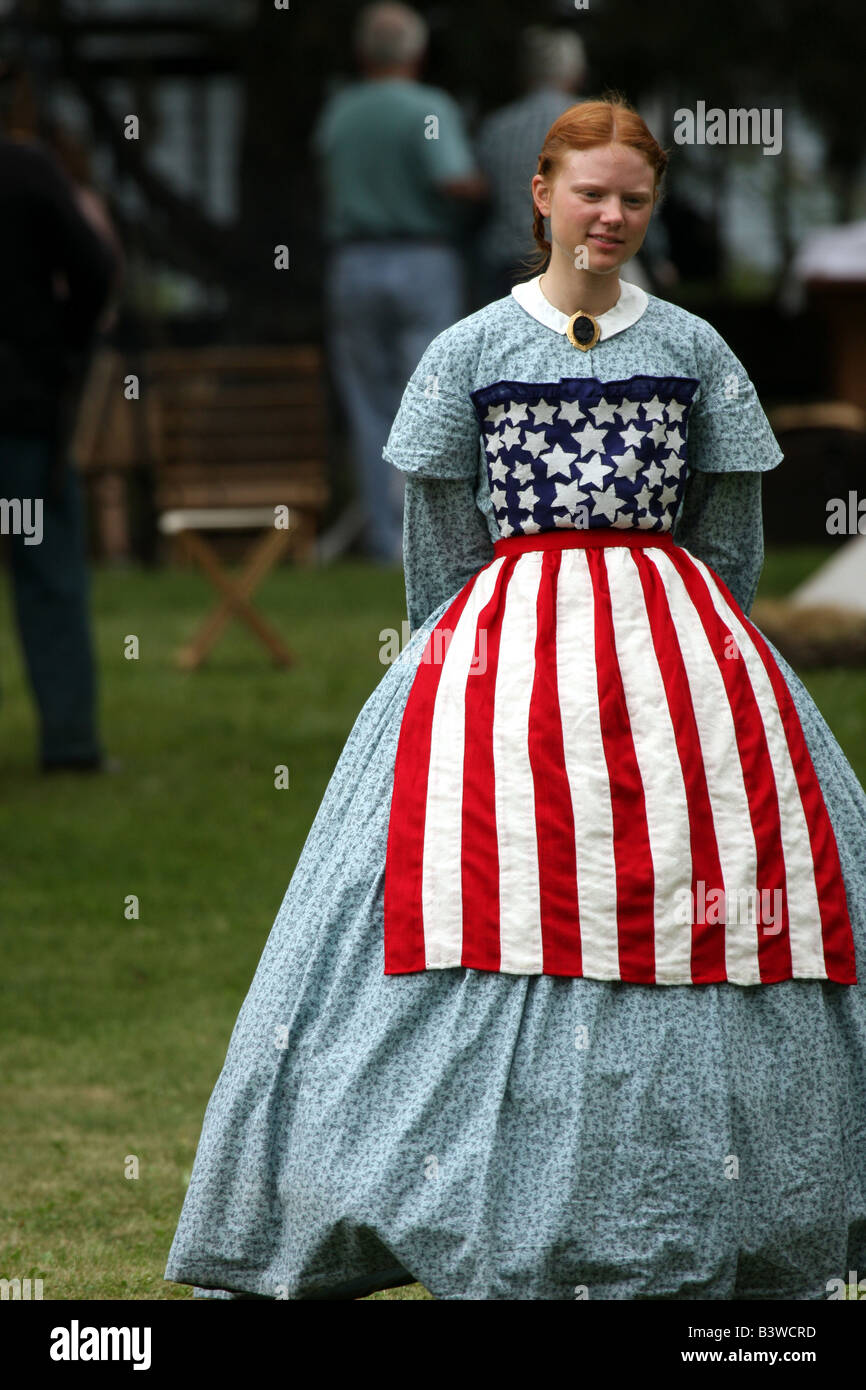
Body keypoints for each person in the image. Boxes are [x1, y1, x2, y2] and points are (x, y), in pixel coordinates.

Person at [165, 96, 866, 1301]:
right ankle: (417, 1197)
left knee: (725, 897)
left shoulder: (695, 350)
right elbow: (438, 554)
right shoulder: (469, 351)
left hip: (678, 662)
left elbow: (729, 546)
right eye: (588, 192)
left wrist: (689, 657)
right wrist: (457, 684)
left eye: (632, 198)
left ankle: (733, 1201)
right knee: (466, 890)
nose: (610, 216)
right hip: (497, 664)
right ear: (538, 194)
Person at [312, 1, 487, 563]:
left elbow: (326, 179)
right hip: (422, 259)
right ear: (418, 53)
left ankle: (386, 543)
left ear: (363, 53)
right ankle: (429, 537)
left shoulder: (340, 110)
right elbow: (453, 180)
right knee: (431, 396)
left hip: (353, 263)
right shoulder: (428, 107)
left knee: (369, 404)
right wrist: (486, 191)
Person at [0, 95, 120, 774]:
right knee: (44, 571)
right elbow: (96, 269)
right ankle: (69, 741)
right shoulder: (24, 171)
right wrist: (60, 351)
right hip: (20, 411)